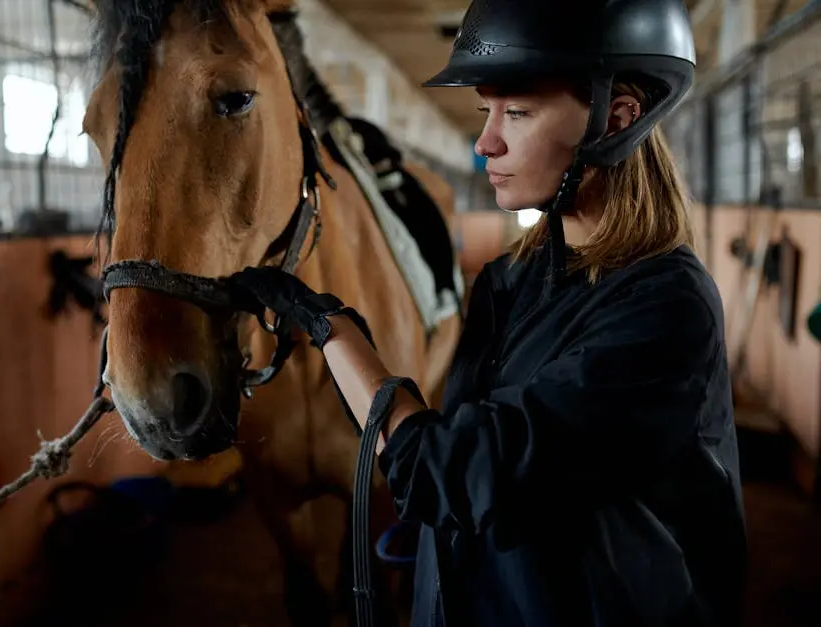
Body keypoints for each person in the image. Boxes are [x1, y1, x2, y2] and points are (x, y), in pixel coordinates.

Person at [229, 0, 748, 625]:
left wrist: (335, 331)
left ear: (616, 118)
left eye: (518, 113)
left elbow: (456, 470)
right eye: (486, 112)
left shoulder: (666, 306)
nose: (485, 142)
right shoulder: (510, 281)